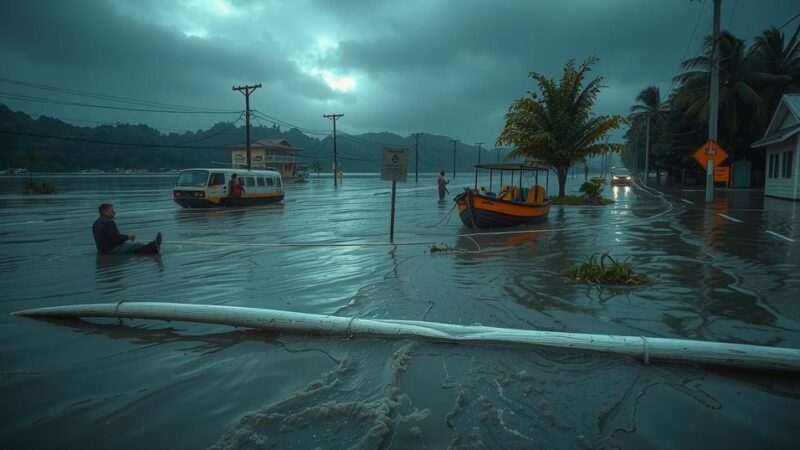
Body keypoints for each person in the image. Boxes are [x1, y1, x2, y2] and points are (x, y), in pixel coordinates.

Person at [92, 203, 161, 254]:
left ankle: (153, 246)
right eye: (112, 210)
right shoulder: (109, 222)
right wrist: (128, 237)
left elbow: (109, 238)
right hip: (111, 250)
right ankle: (154, 248)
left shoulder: (96, 223)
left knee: (133, 246)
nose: (114, 212)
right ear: (105, 212)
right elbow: (117, 239)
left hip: (102, 250)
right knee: (137, 245)